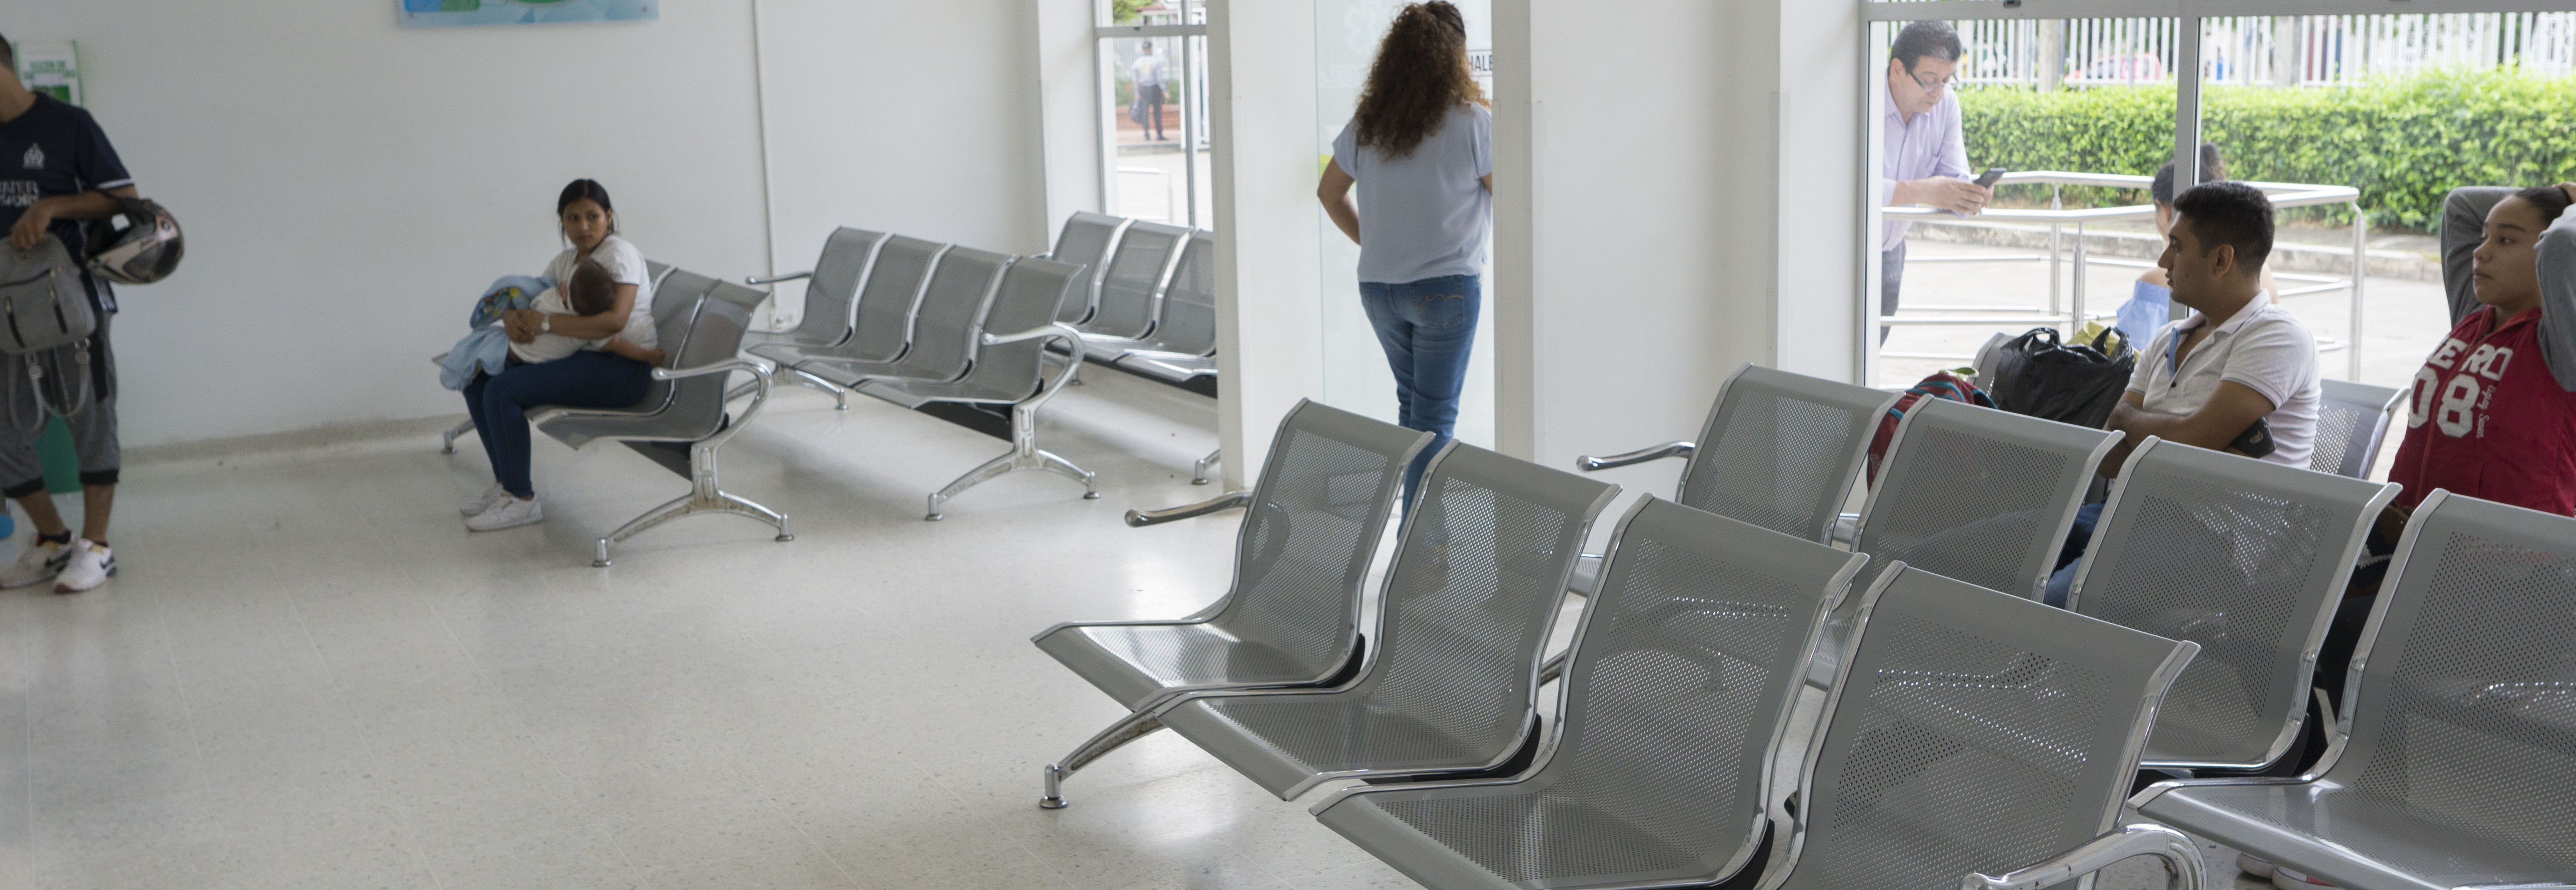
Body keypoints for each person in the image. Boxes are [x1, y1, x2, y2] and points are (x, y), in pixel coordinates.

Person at [2045, 181, 2321, 606]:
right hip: (2125, 510)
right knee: (1977, 555)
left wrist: (2134, 422)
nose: (2163, 261)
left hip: (2213, 544)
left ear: (2221, 259)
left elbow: (2192, 441)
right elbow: (2109, 455)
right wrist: (2186, 437)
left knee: (2054, 601)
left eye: (2176, 246)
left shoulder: (2277, 337)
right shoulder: (2168, 336)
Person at [1316, 1, 1491, 506]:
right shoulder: (1473, 122)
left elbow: (1329, 193)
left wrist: (1374, 242)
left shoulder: (1370, 124)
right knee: (1434, 418)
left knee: (1413, 413)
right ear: (1456, 55)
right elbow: (1509, 196)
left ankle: (1423, 533)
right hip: (1445, 288)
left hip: (1379, 289)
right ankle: (1419, 541)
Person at [0, 34, 139, 593]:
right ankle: (54, 538)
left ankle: (97, 547)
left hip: (73, 302)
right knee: (4, 431)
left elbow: (124, 196)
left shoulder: (68, 125)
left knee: (91, 418)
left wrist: (52, 205)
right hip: (8, 309)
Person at [457, 179, 660, 531]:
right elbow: (530, 297)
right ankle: (506, 484)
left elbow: (614, 321)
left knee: (502, 390)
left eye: (593, 216)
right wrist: (511, 317)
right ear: (562, 222)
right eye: (573, 218)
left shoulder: (619, 254)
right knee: (478, 381)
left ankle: (521, 500)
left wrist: (547, 324)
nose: (583, 227)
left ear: (609, 217)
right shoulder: (566, 261)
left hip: (621, 368)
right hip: (587, 358)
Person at [1877, 20, 1991, 342]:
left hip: (1891, 249)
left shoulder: (1946, 104)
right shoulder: (1861, 98)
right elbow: (1846, 187)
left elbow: (1954, 175)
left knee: (1872, 350)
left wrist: (1969, 195)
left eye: (1946, 80)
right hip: (1844, 247)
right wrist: (1924, 191)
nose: (1938, 93)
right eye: (1929, 81)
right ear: (1897, 69)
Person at [2116, 144, 2280, 341]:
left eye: (2177, 247)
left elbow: (2129, 350)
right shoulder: (2260, 273)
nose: (2163, 261)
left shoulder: (2154, 285)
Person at [511, 260, 661, 367]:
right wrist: (648, 356)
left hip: (518, 350)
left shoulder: (550, 298)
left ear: (565, 292)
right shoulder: (589, 329)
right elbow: (617, 345)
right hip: (533, 360)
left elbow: (532, 306)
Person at [1130, 42, 1169, 142]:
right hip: (1154, 89)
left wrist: (1137, 93)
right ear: (1151, 49)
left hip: (1143, 90)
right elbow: (1159, 78)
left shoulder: (1138, 62)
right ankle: (1159, 134)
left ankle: (1147, 134)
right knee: (1157, 112)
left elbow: (1136, 80)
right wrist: (1165, 91)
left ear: (1143, 50)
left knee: (1145, 113)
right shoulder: (1155, 62)